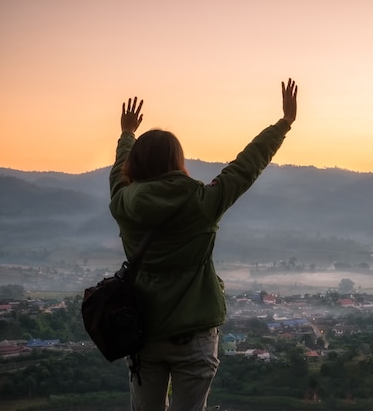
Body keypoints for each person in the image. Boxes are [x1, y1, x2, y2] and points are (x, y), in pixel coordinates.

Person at [109, 78, 298, 411]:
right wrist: (283, 124)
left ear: (134, 166)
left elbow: (118, 173)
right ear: (178, 162)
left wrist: (127, 134)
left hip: (144, 333)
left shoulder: (123, 201)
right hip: (194, 336)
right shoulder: (203, 201)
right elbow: (245, 167)